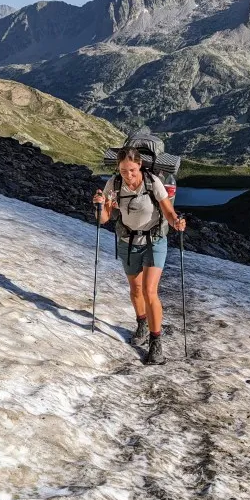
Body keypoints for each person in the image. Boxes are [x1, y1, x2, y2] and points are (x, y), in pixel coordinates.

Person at [93, 147, 186, 364]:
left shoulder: (153, 182)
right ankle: (142, 323)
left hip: (154, 241)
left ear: (140, 166)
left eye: (132, 170)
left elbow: (169, 212)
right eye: (124, 170)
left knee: (149, 290)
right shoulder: (113, 185)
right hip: (128, 241)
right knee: (135, 289)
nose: (129, 175)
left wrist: (177, 223)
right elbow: (104, 219)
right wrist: (99, 206)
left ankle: (156, 343)